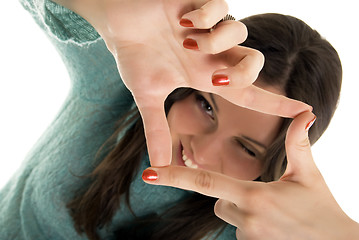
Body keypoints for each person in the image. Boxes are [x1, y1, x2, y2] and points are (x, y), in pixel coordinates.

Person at [0, 0, 353, 240]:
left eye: (246, 148)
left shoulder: (248, 229)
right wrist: (108, 8)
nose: (202, 150)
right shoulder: (124, 78)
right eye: (207, 107)